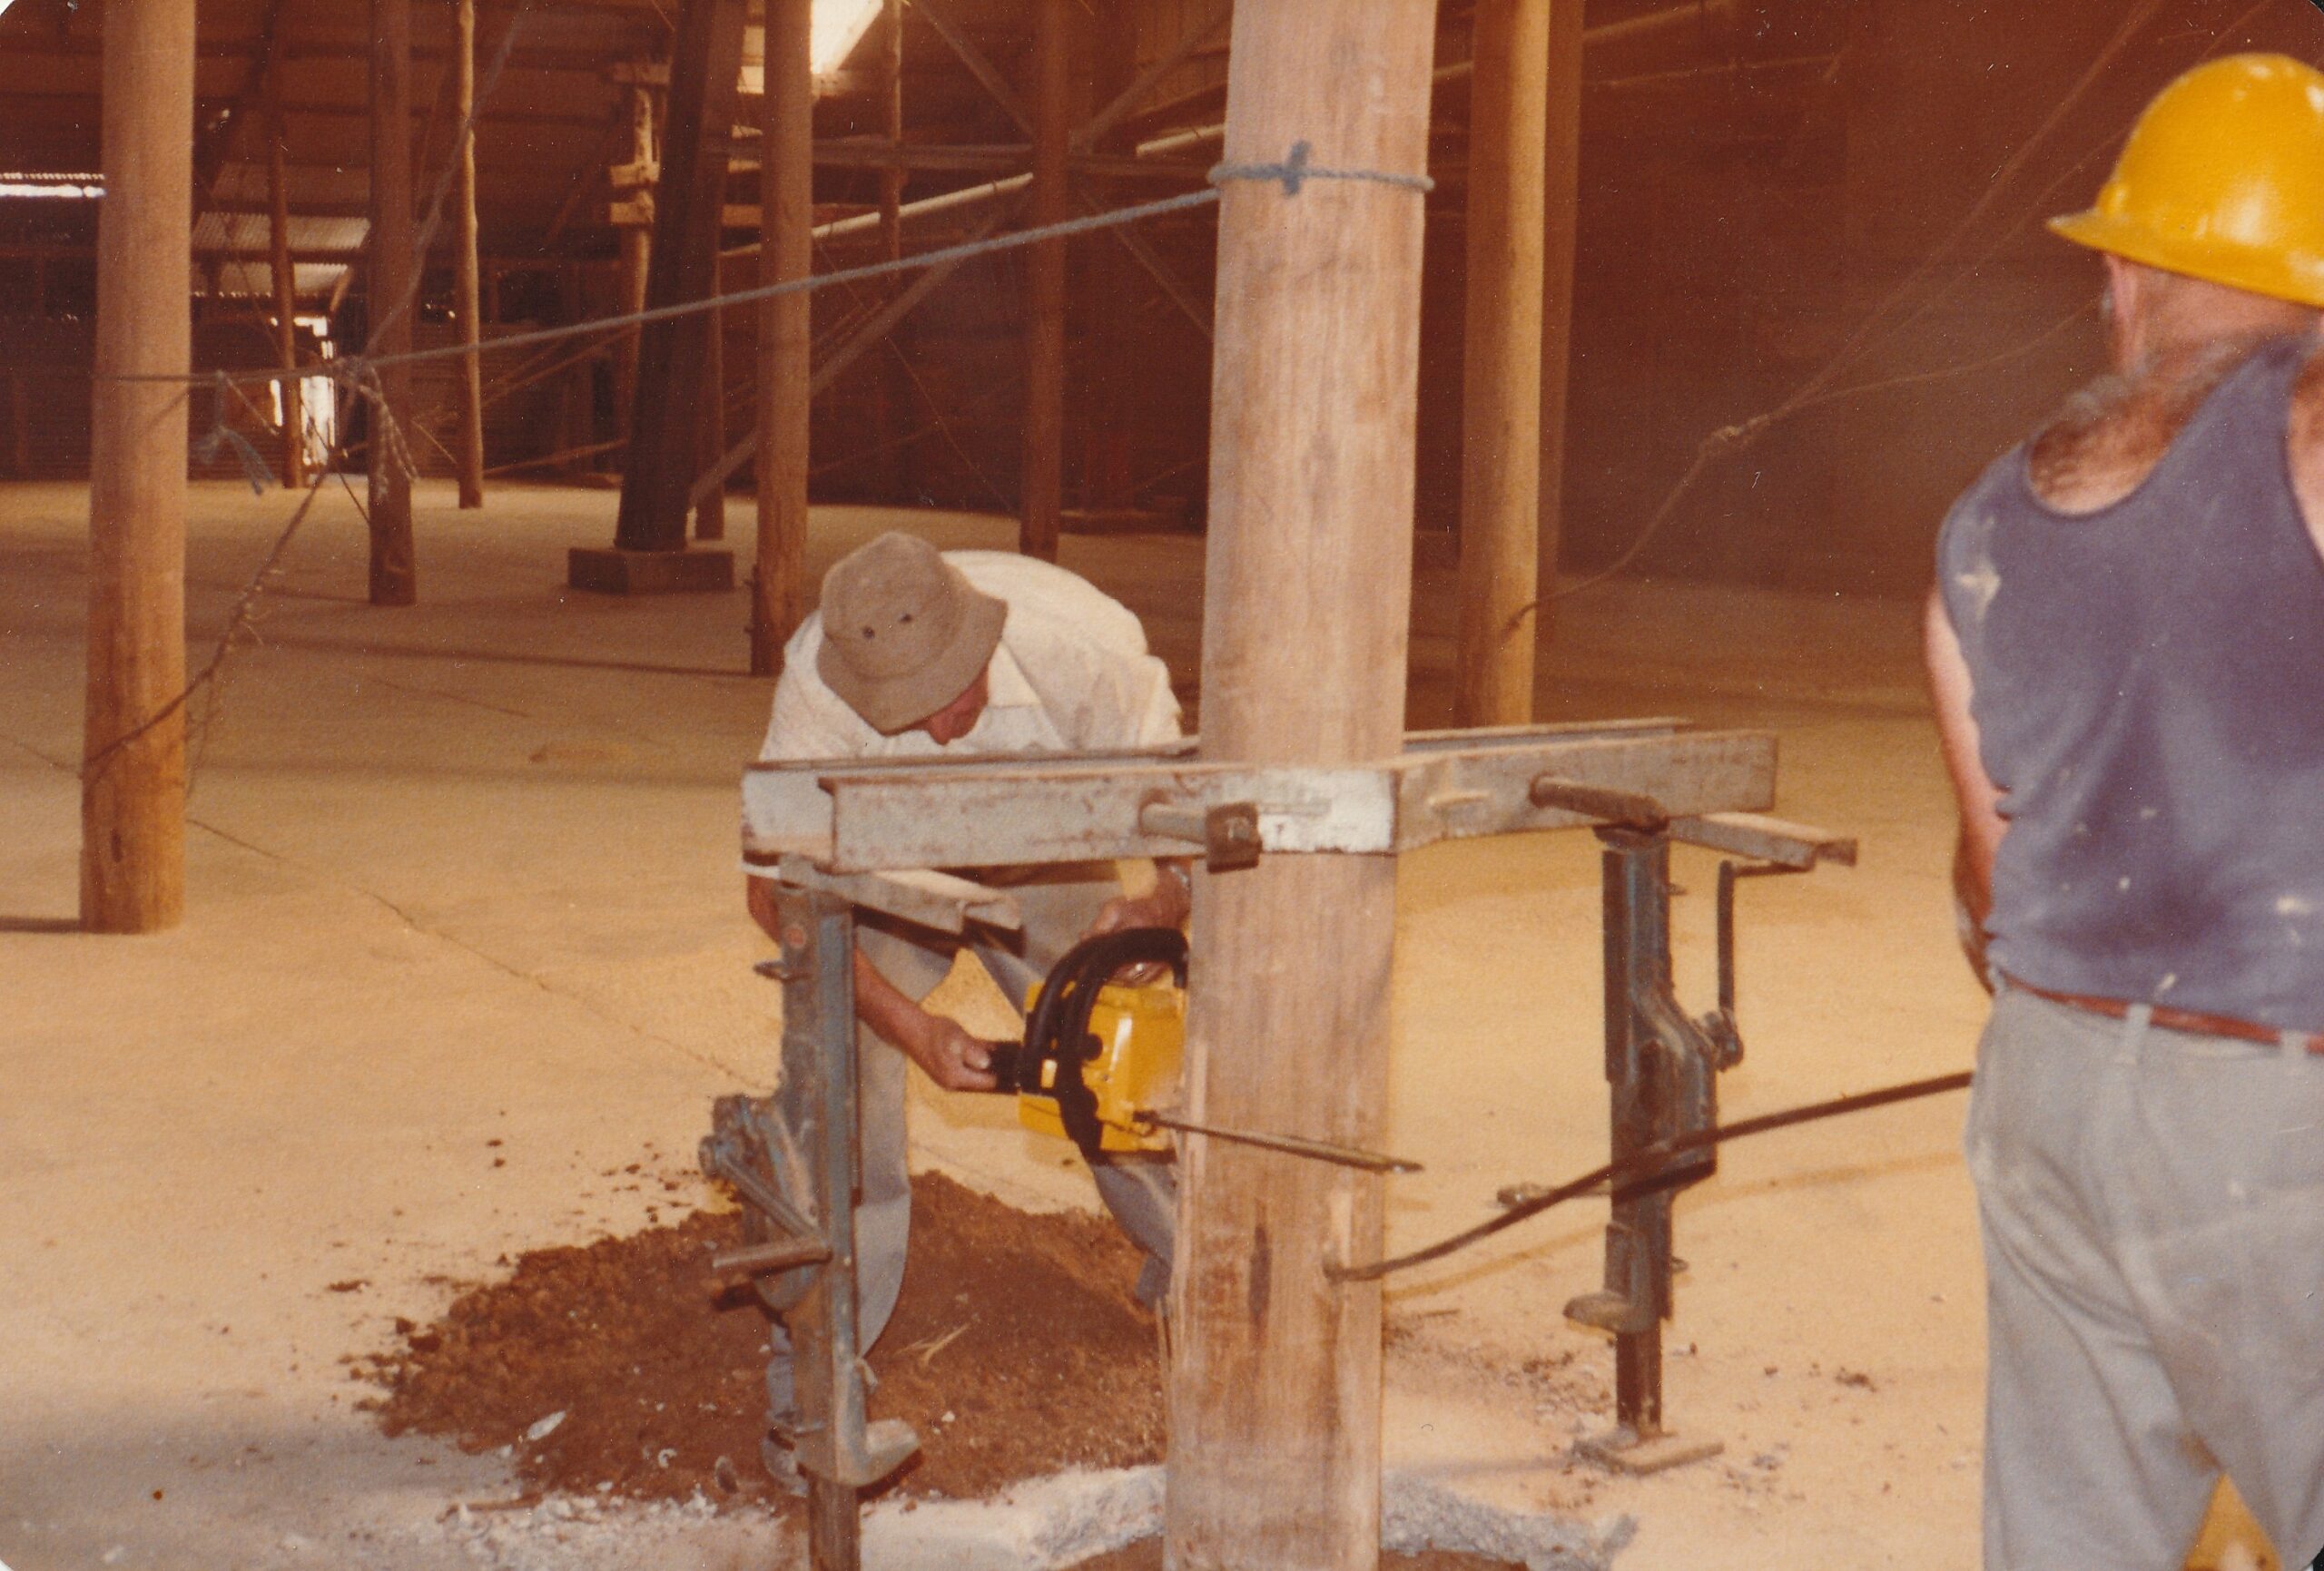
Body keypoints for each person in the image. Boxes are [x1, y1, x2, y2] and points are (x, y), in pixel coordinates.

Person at [1924, 54, 2324, 1571]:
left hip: (2053, 1095)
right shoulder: (2311, 428)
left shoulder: (1978, 522)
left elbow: (1989, 886)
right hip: (2288, 1113)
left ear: (2123, 279)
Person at [745, 530, 1192, 1479]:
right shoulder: (820, 680)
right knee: (836, 1057)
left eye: (951, 704)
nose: (941, 734)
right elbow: (772, 889)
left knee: (1116, 1046)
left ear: (984, 646)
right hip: (897, 866)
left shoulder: (1089, 652)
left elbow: (1195, 834)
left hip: (1050, 852)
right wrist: (907, 1027)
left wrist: (1150, 910)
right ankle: (819, 1382)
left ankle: (1196, 1269)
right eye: (906, 721)